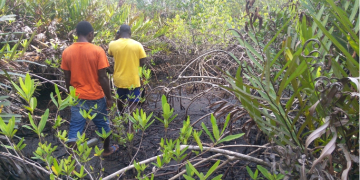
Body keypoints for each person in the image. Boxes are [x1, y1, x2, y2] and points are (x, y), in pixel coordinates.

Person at [61, 21, 118, 156]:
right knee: (103, 126)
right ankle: (107, 150)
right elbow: (103, 77)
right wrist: (109, 98)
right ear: (90, 34)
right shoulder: (97, 51)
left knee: (75, 129)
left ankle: (72, 164)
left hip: (78, 98)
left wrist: (71, 94)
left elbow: (67, 78)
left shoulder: (67, 52)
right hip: (96, 97)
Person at [108, 24, 147, 115]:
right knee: (133, 103)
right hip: (133, 79)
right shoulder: (138, 45)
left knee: (120, 99)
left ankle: (121, 118)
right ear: (130, 33)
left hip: (119, 79)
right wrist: (140, 72)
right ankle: (133, 128)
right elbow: (143, 61)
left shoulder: (113, 44)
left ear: (119, 33)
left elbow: (110, 54)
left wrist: (116, 37)